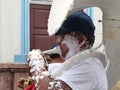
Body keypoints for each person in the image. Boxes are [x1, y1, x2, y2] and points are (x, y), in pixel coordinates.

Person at [17, 11, 108, 90]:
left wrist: (36, 62)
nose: (58, 41)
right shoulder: (73, 65)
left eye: (62, 36)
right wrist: (32, 82)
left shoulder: (89, 66)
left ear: (81, 40)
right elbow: (53, 77)